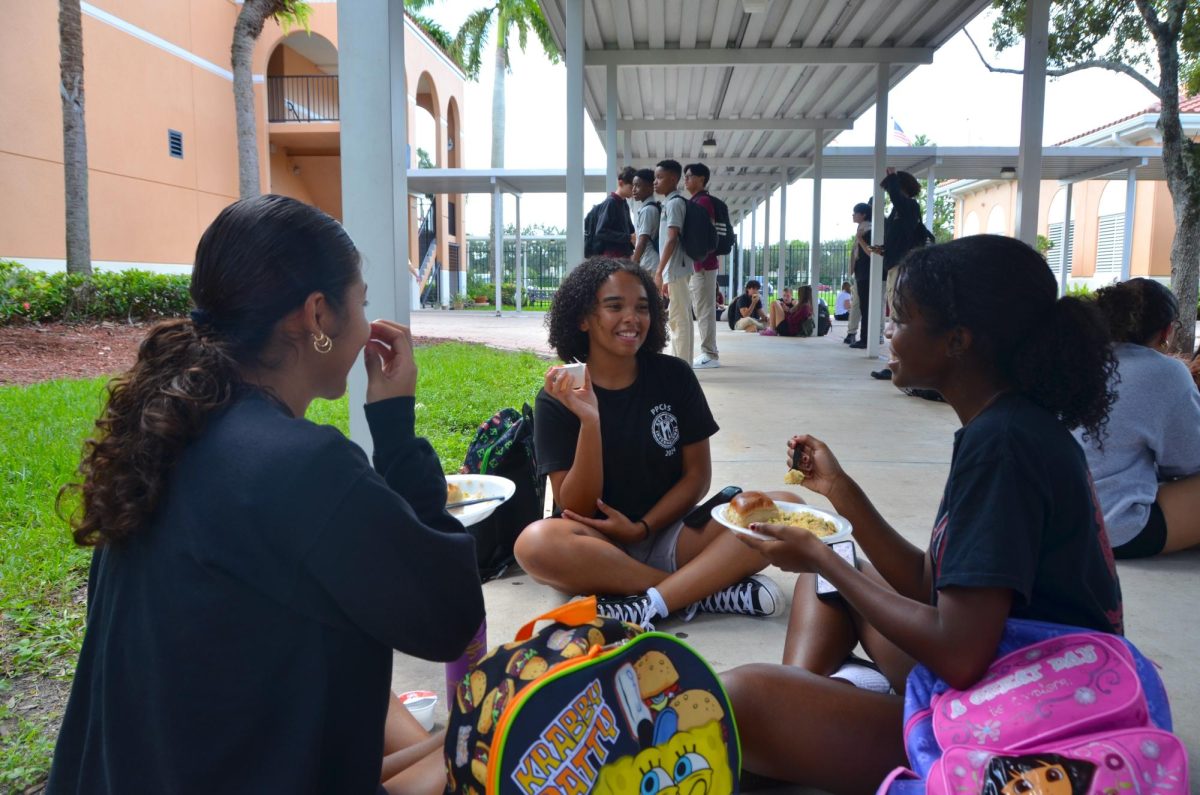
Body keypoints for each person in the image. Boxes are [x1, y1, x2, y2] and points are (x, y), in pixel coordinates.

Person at [47, 195, 485, 795]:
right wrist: (397, 431)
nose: (367, 325)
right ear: (317, 317)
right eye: (360, 303)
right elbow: (451, 617)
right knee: (499, 738)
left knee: (461, 731)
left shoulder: (162, 434)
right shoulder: (303, 465)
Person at [721, 235, 1123, 793]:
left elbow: (958, 654)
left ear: (957, 341)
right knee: (830, 567)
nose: (887, 331)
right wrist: (840, 492)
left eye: (900, 319)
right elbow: (935, 589)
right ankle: (808, 709)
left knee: (741, 699)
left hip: (1021, 723)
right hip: (1004, 673)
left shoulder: (1003, 446)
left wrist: (821, 558)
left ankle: (806, 716)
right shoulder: (1004, 426)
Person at [515, 258, 790, 629]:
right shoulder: (557, 397)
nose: (632, 318)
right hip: (596, 547)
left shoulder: (673, 376)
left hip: (673, 536)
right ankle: (698, 592)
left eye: (642, 307)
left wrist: (643, 527)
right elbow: (574, 503)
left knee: (785, 508)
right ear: (583, 319)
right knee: (534, 544)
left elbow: (697, 476)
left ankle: (646, 600)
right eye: (614, 306)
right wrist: (590, 421)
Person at [1075, 278, 1200, 558]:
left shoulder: (1070, 361)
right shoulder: (1165, 373)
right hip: (1112, 529)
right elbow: (1190, 461)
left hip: (1049, 522)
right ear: (1166, 331)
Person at [867, 169, 927, 377]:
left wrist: (892, 178)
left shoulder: (908, 206)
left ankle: (895, 364)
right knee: (896, 315)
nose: (890, 195)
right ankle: (895, 364)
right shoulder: (901, 211)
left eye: (892, 189)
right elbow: (902, 238)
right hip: (895, 263)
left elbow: (896, 198)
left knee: (898, 315)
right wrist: (884, 250)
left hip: (900, 266)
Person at [652, 160, 697, 364]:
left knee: (679, 319)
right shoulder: (671, 202)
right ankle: (682, 362)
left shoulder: (675, 203)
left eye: (659, 178)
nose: (655, 182)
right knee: (680, 317)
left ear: (673, 179)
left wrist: (660, 271)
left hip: (675, 268)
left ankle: (682, 365)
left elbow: (672, 238)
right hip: (675, 269)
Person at [684, 162, 721, 369]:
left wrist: (698, 261)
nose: (686, 180)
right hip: (701, 265)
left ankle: (710, 354)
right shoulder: (698, 201)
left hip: (704, 265)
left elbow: (702, 236)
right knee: (701, 308)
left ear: (701, 179)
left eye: (689, 176)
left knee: (705, 310)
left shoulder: (703, 202)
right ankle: (708, 351)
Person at [588, 166, 637, 259]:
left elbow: (630, 230)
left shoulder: (624, 203)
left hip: (623, 255)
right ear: (620, 183)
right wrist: (628, 237)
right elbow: (601, 231)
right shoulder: (611, 202)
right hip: (613, 256)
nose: (634, 191)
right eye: (631, 187)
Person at [849, 202, 873, 349]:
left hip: (866, 273)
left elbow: (869, 252)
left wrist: (860, 238)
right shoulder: (863, 228)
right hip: (861, 273)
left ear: (863, 214)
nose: (853, 215)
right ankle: (863, 337)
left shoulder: (868, 230)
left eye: (855, 212)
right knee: (862, 306)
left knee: (866, 307)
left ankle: (866, 338)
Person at [630, 168, 661, 273]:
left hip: (650, 264)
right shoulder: (650, 208)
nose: (633, 189)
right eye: (633, 185)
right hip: (651, 262)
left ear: (650, 187)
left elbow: (643, 241)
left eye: (638, 186)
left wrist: (633, 264)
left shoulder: (648, 210)